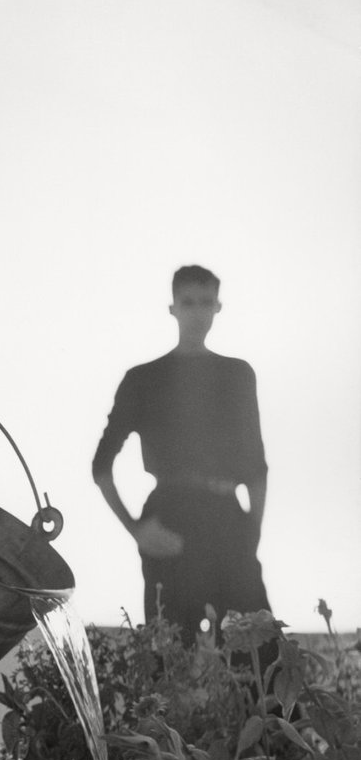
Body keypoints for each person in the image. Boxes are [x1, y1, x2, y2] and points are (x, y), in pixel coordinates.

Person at [92, 265, 270, 640]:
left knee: (258, 653)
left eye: (205, 302)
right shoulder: (142, 378)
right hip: (169, 519)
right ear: (172, 308)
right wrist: (136, 530)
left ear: (218, 307)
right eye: (188, 302)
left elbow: (256, 468)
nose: (197, 312)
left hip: (228, 519)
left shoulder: (239, 375)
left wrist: (249, 535)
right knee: (170, 660)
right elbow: (101, 466)